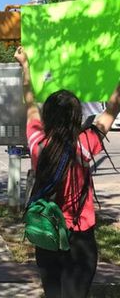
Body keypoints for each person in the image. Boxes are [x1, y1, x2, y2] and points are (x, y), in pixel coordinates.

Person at [14, 46, 120, 298]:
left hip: (47, 234)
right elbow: (113, 107)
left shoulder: (37, 142)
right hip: (79, 239)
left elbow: (29, 101)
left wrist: (25, 66)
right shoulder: (85, 144)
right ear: (76, 117)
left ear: (47, 116)